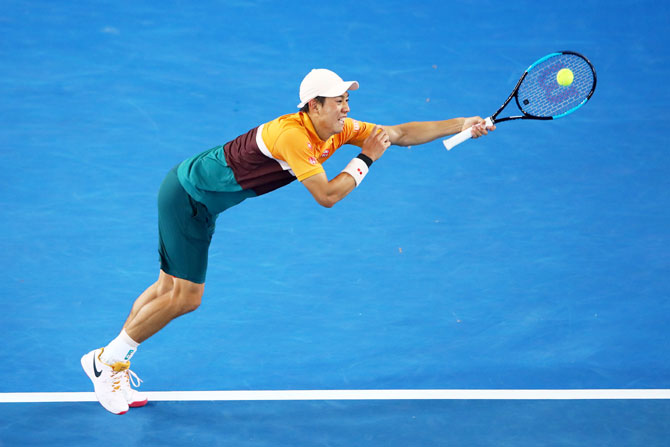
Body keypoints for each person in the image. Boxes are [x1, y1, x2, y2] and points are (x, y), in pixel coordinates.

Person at [81, 68, 494, 414]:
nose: (347, 107)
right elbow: (328, 196)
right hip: (187, 197)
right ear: (314, 106)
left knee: (168, 288)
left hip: (195, 199)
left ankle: (108, 362)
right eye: (338, 101)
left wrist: (462, 124)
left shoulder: (337, 128)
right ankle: (108, 360)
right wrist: (365, 158)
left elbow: (399, 133)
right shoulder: (292, 137)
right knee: (185, 297)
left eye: (346, 100)